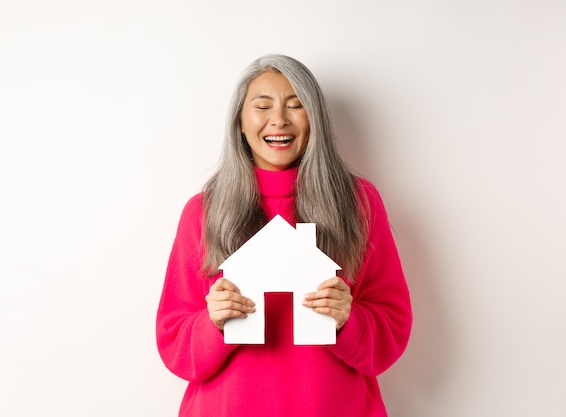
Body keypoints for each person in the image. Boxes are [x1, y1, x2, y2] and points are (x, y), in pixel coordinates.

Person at [156, 54, 412, 417]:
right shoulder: (203, 211)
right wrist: (211, 323)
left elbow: (392, 328)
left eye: (296, 105)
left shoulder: (358, 203)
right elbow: (174, 342)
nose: (279, 119)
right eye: (262, 106)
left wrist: (348, 320)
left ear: (315, 121)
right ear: (239, 124)